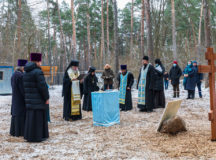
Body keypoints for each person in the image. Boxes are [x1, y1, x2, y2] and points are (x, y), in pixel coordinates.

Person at [23, 53, 49, 142]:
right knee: (38, 119)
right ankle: (38, 136)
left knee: (30, 118)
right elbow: (43, 87)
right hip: (38, 100)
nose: (41, 63)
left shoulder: (26, 72)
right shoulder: (38, 72)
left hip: (29, 100)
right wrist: (46, 97)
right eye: (40, 61)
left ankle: (29, 136)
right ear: (37, 61)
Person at [10, 59, 28, 137]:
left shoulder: (14, 74)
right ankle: (19, 132)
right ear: (22, 67)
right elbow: (22, 89)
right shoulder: (21, 76)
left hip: (15, 97)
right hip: (20, 99)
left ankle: (14, 131)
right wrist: (26, 96)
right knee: (20, 115)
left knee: (15, 115)